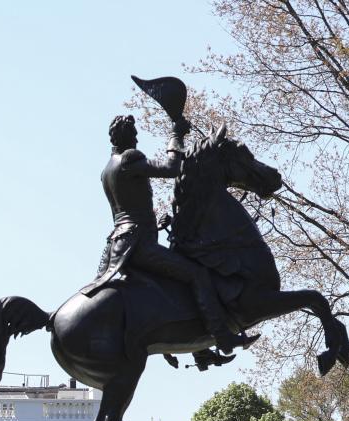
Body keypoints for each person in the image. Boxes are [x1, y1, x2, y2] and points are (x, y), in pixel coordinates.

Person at [82, 106, 257, 363]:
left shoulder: (107, 169)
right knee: (197, 274)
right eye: (134, 134)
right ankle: (223, 336)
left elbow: (128, 210)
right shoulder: (129, 158)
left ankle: (199, 349)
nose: (137, 139)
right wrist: (176, 134)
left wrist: (157, 223)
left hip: (119, 243)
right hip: (138, 243)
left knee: (174, 282)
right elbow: (172, 167)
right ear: (127, 137)